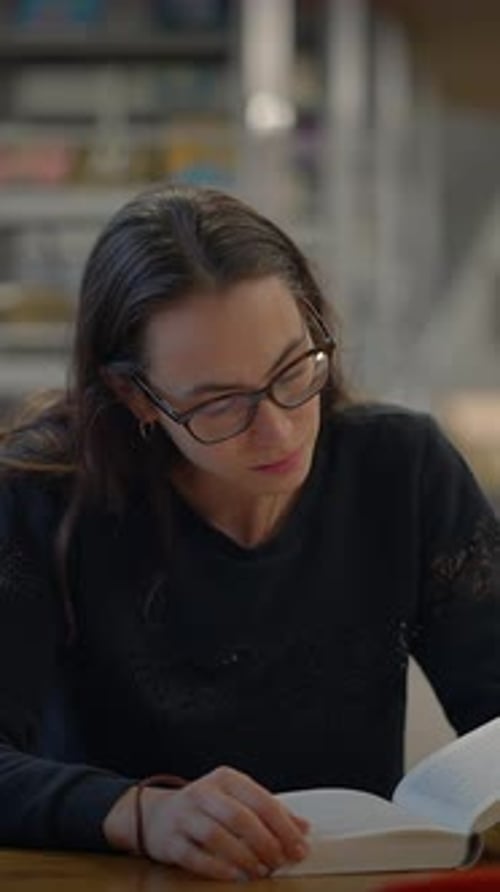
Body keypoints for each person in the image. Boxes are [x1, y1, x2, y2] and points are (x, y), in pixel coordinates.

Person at [0, 183, 499, 882]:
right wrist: (139, 813)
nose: (279, 429)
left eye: (293, 369)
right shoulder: (42, 498)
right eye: (219, 403)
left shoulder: (401, 467)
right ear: (135, 396)